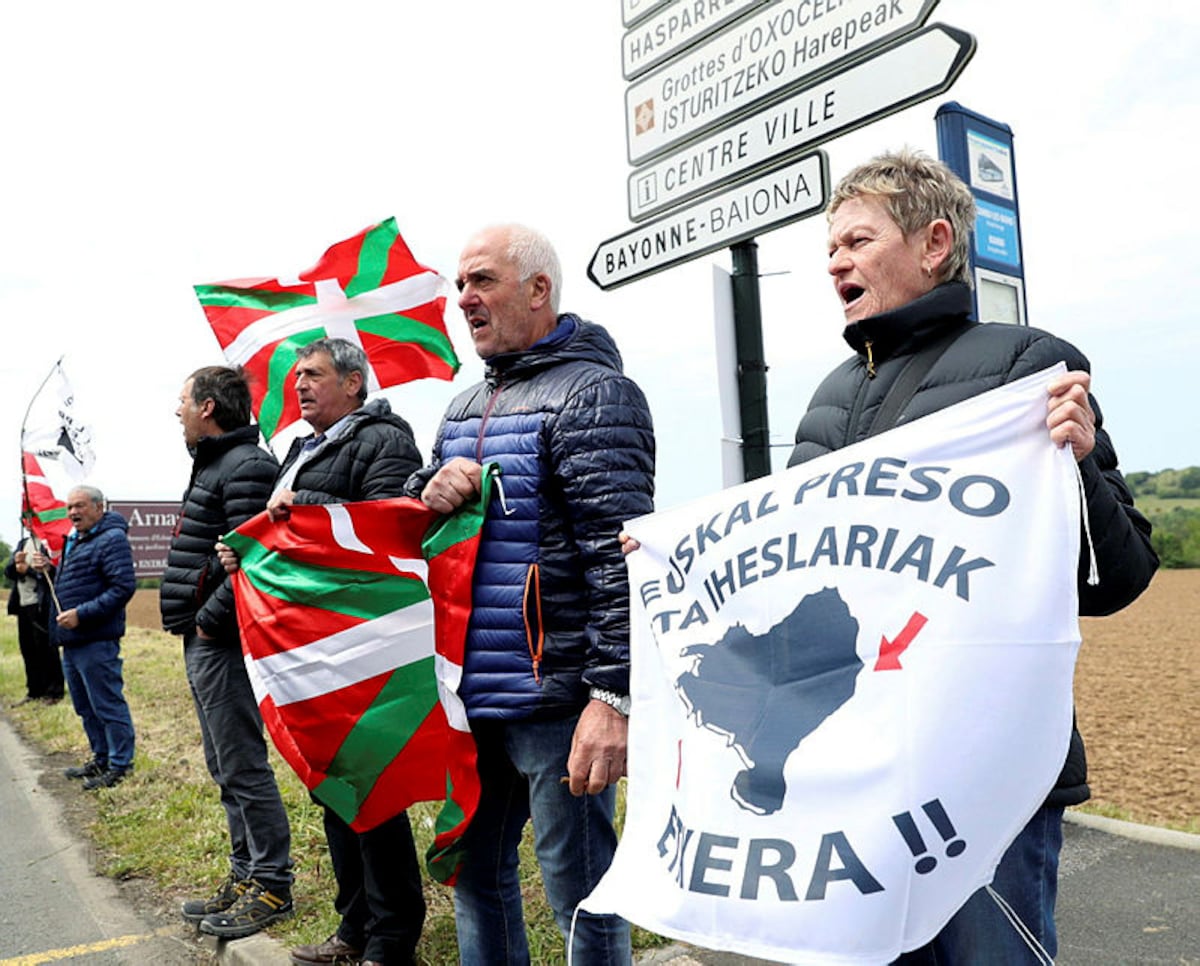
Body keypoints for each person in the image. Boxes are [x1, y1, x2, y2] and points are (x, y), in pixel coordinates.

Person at [786, 149, 1158, 963]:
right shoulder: (826, 401)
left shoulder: (1029, 368)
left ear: (934, 243)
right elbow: (795, 578)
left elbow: (1121, 576)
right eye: (830, 249)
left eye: (857, 240)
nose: (836, 262)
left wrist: (1078, 466)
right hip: (860, 772)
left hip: (992, 782)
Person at [407, 224, 655, 965]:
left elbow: (618, 561)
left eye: (481, 280)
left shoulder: (596, 394)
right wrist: (428, 487)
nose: (464, 298)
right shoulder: (460, 409)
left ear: (539, 289)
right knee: (475, 878)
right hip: (472, 697)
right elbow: (426, 523)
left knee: (581, 896)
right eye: (460, 284)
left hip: (558, 704)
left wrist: (609, 698)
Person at [219, 337, 426, 966]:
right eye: (297, 377)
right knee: (334, 788)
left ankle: (392, 938)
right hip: (309, 649)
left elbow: (390, 527)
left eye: (313, 374)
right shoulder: (298, 450)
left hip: (361, 646)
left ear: (354, 382)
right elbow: (284, 536)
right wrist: (245, 551)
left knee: (372, 790)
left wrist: (301, 507)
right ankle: (353, 928)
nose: (299, 385)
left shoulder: (385, 440)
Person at [159, 365, 294, 939]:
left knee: (242, 763)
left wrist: (210, 624)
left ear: (208, 407)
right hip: (202, 638)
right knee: (223, 765)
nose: (177, 412)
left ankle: (272, 884)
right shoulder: (216, 463)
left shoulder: (246, 465)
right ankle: (244, 875)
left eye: (183, 402)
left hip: (223, 640)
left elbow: (255, 559)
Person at [30, 486, 138, 790]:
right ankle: (101, 757)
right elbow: (77, 581)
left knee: (106, 703)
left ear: (99, 507)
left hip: (96, 638)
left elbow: (122, 587)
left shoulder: (112, 539)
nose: (73, 512)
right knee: (85, 705)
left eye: (79, 506)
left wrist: (82, 614)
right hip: (73, 640)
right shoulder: (75, 540)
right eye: (69, 507)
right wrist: (48, 569)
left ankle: (120, 765)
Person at [5, 535, 64, 704]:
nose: (28, 524)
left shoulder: (50, 543)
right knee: (28, 648)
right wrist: (15, 564)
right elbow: (9, 572)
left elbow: (55, 574)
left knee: (46, 648)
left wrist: (29, 570)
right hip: (23, 605)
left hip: (41, 604)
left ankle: (54, 692)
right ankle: (34, 690)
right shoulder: (23, 543)